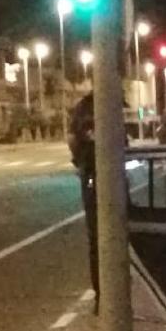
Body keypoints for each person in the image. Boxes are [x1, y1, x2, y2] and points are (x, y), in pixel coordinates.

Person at [67, 89, 98, 303]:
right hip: (98, 177)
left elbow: (71, 139)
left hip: (90, 175)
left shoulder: (81, 111)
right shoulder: (92, 112)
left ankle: (100, 294)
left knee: (95, 238)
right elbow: (72, 139)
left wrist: (79, 163)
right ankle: (105, 292)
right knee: (103, 235)